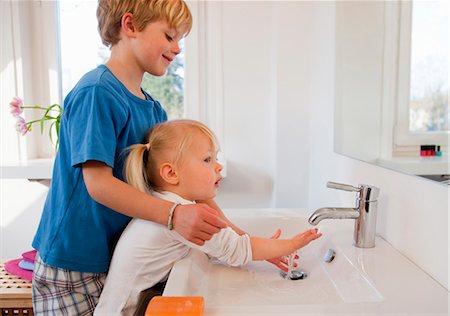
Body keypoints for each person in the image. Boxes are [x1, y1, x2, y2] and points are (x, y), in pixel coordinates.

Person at [31, 1, 228, 315]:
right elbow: (99, 185)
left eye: (180, 40)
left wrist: (243, 241)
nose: (177, 48)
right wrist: (175, 215)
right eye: (169, 36)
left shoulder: (153, 110)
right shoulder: (96, 93)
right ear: (130, 26)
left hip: (111, 257)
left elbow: (187, 190)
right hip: (73, 261)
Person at [94, 119, 322, 315]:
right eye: (207, 160)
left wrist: (260, 249)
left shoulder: (163, 202)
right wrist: (291, 244)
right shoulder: (178, 215)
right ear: (171, 173)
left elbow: (226, 245)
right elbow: (237, 250)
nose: (218, 166)